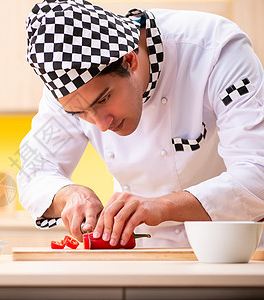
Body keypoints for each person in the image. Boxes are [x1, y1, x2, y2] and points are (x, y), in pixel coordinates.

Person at [17, 0, 264, 247]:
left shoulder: (214, 49)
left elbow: (257, 171)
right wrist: (68, 195)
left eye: (103, 99)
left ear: (130, 60)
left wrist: (162, 206)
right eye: (80, 113)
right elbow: (33, 170)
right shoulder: (66, 85)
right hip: (144, 255)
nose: (101, 125)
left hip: (234, 251)